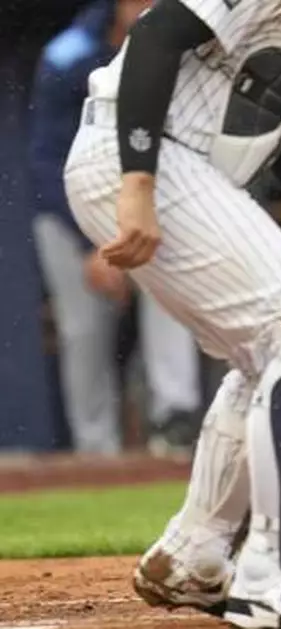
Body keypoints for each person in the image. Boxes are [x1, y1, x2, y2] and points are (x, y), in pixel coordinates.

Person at [61, 0, 281, 626]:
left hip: (178, 164)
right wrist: (138, 182)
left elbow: (280, 114)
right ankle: (274, 580)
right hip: (146, 155)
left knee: (271, 354)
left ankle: (194, 557)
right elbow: (156, 33)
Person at [29, 0, 205, 459]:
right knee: (83, 329)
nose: (147, 6)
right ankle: (96, 450)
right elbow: (46, 161)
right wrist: (93, 243)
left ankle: (174, 422)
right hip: (71, 211)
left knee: (172, 300)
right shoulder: (68, 53)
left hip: (151, 200)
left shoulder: (186, 43)